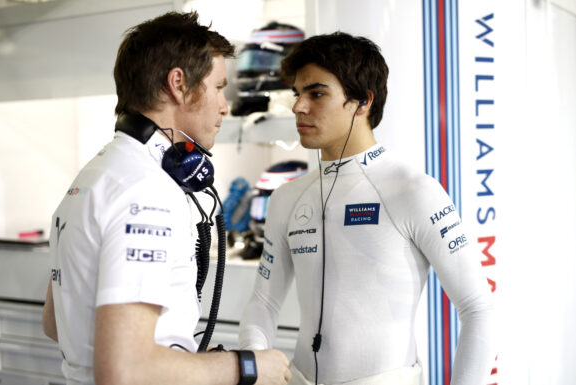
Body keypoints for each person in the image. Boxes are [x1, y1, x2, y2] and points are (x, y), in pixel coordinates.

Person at [41, 11, 291, 385]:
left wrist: (182, 363)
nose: (224, 105)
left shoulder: (95, 176)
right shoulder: (147, 192)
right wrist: (248, 366)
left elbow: (55, 323)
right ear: (178, 83)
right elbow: (126, 370)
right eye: (219, 87)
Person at [238, 32, 496, 385]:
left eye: (316, 93)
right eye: (298, 94)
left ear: (362, 102)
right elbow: (263, 304)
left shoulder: (413, 190)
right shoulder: (287, 198)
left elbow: (478, 307)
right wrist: (256, 366)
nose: (299, 106)